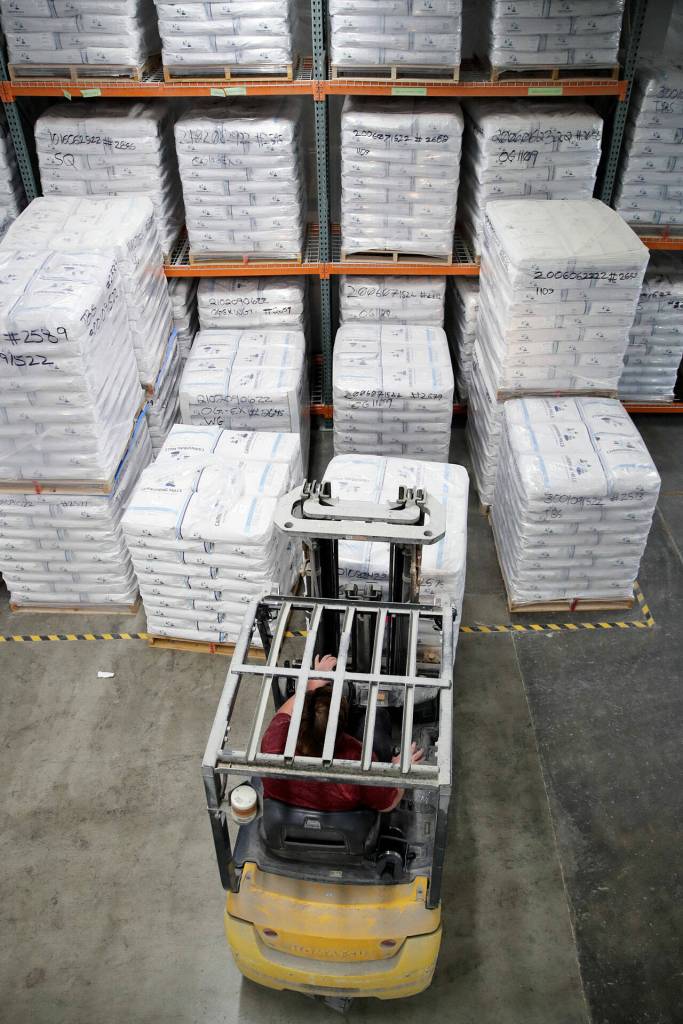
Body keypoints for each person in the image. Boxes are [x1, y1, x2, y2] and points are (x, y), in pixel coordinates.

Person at [260, 654, 424, 813]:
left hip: (291, 808)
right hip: (344, 815)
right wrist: (399, 771)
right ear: (342, 726)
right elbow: (388, 804)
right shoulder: (356, 760)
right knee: (377, 716)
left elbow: (285, 712)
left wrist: (313, 682)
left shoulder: (273, 744)